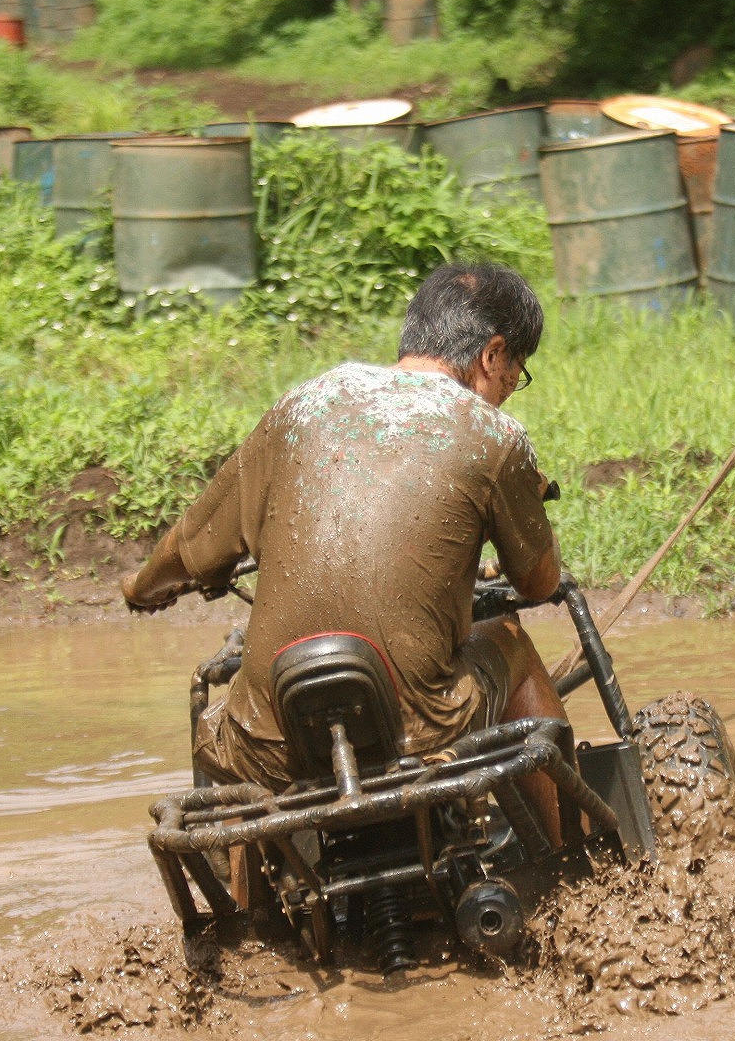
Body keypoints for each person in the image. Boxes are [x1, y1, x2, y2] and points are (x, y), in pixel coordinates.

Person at [120, 262, 569, 837]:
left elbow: (190, 548)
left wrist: (140, 589)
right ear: (492, 354)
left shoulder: (302, 405)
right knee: (509, 638)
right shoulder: (494, 436)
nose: (507, 393)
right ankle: (570, 856)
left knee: (228, 706)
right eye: (514, 376)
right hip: (421, 734)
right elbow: (538, 583)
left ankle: (255, 886)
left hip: (269, 744)